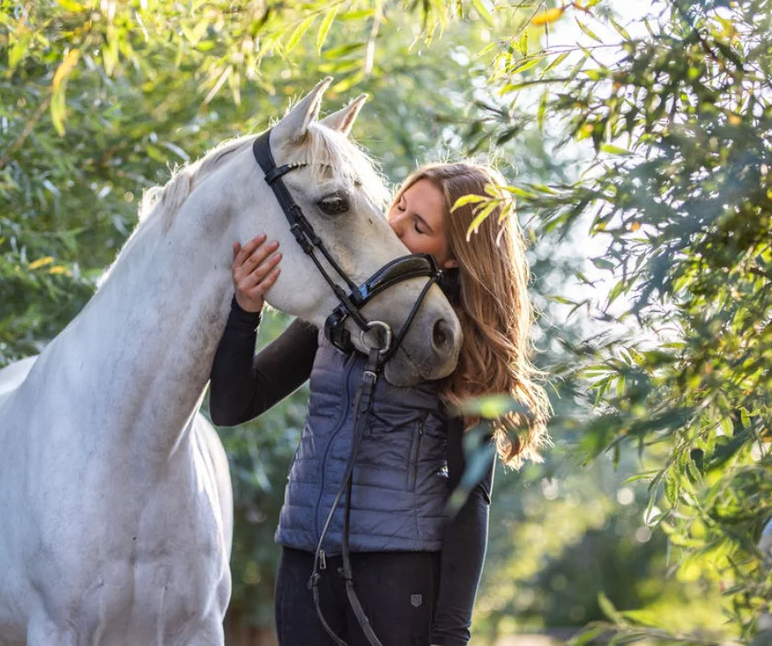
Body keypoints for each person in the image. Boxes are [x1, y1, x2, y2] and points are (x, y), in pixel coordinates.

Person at [209, 161, 552, 646]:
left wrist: (451, 634)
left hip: (398, 575)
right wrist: (246, 307)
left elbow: (469, 497)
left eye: (419, 227)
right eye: (399, 206)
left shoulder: (453, 342)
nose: (393, 226)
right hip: (304, 561)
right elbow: (232, 406)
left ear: (453, 257)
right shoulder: (338, 311)